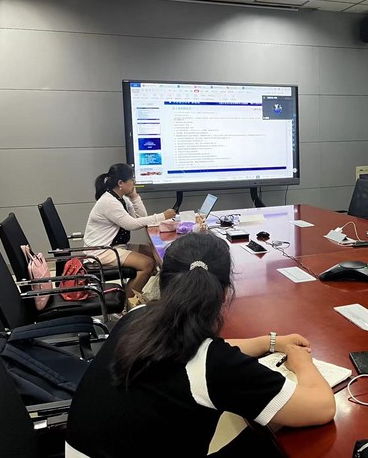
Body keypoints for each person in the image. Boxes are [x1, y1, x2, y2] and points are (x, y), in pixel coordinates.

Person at [65, 233, 336, 458]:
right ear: (225, 293)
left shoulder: (137, 317)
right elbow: (322, 407)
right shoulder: (214, 366)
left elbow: (198, 351)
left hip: (89, 449)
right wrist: (302, 362)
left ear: (163, 282)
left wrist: (271, 342)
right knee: (265, 440)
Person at [84, 163, 176, 299]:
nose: (134, 183)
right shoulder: (109, 202)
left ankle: (152, 294)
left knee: (155, 253)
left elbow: (141, 218)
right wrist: (162, 216)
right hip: (102, 251)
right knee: (147, 264)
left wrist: (135, 197)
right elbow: (131, 224)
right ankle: (127, 302)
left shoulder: (122, 199)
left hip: (116, 246)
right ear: (121, 183)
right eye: (132, 180)